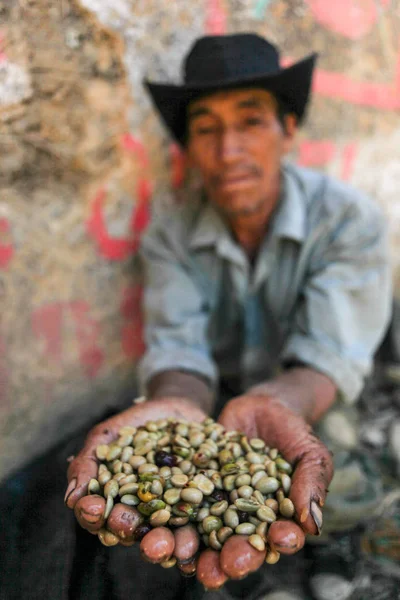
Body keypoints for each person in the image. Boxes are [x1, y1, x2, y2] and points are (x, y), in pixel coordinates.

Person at [64, 33, 392, 597]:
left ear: (288, 129)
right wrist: (178, 407)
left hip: (302, 395)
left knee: (333, 453)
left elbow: (328, 360)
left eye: (251, 121)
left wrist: (276, 406)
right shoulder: (170, 234)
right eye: (206, 127)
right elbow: (178, 348)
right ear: (189, 144)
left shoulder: (347, 221)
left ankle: (333, 536)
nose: (228, 149)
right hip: (219, 400)